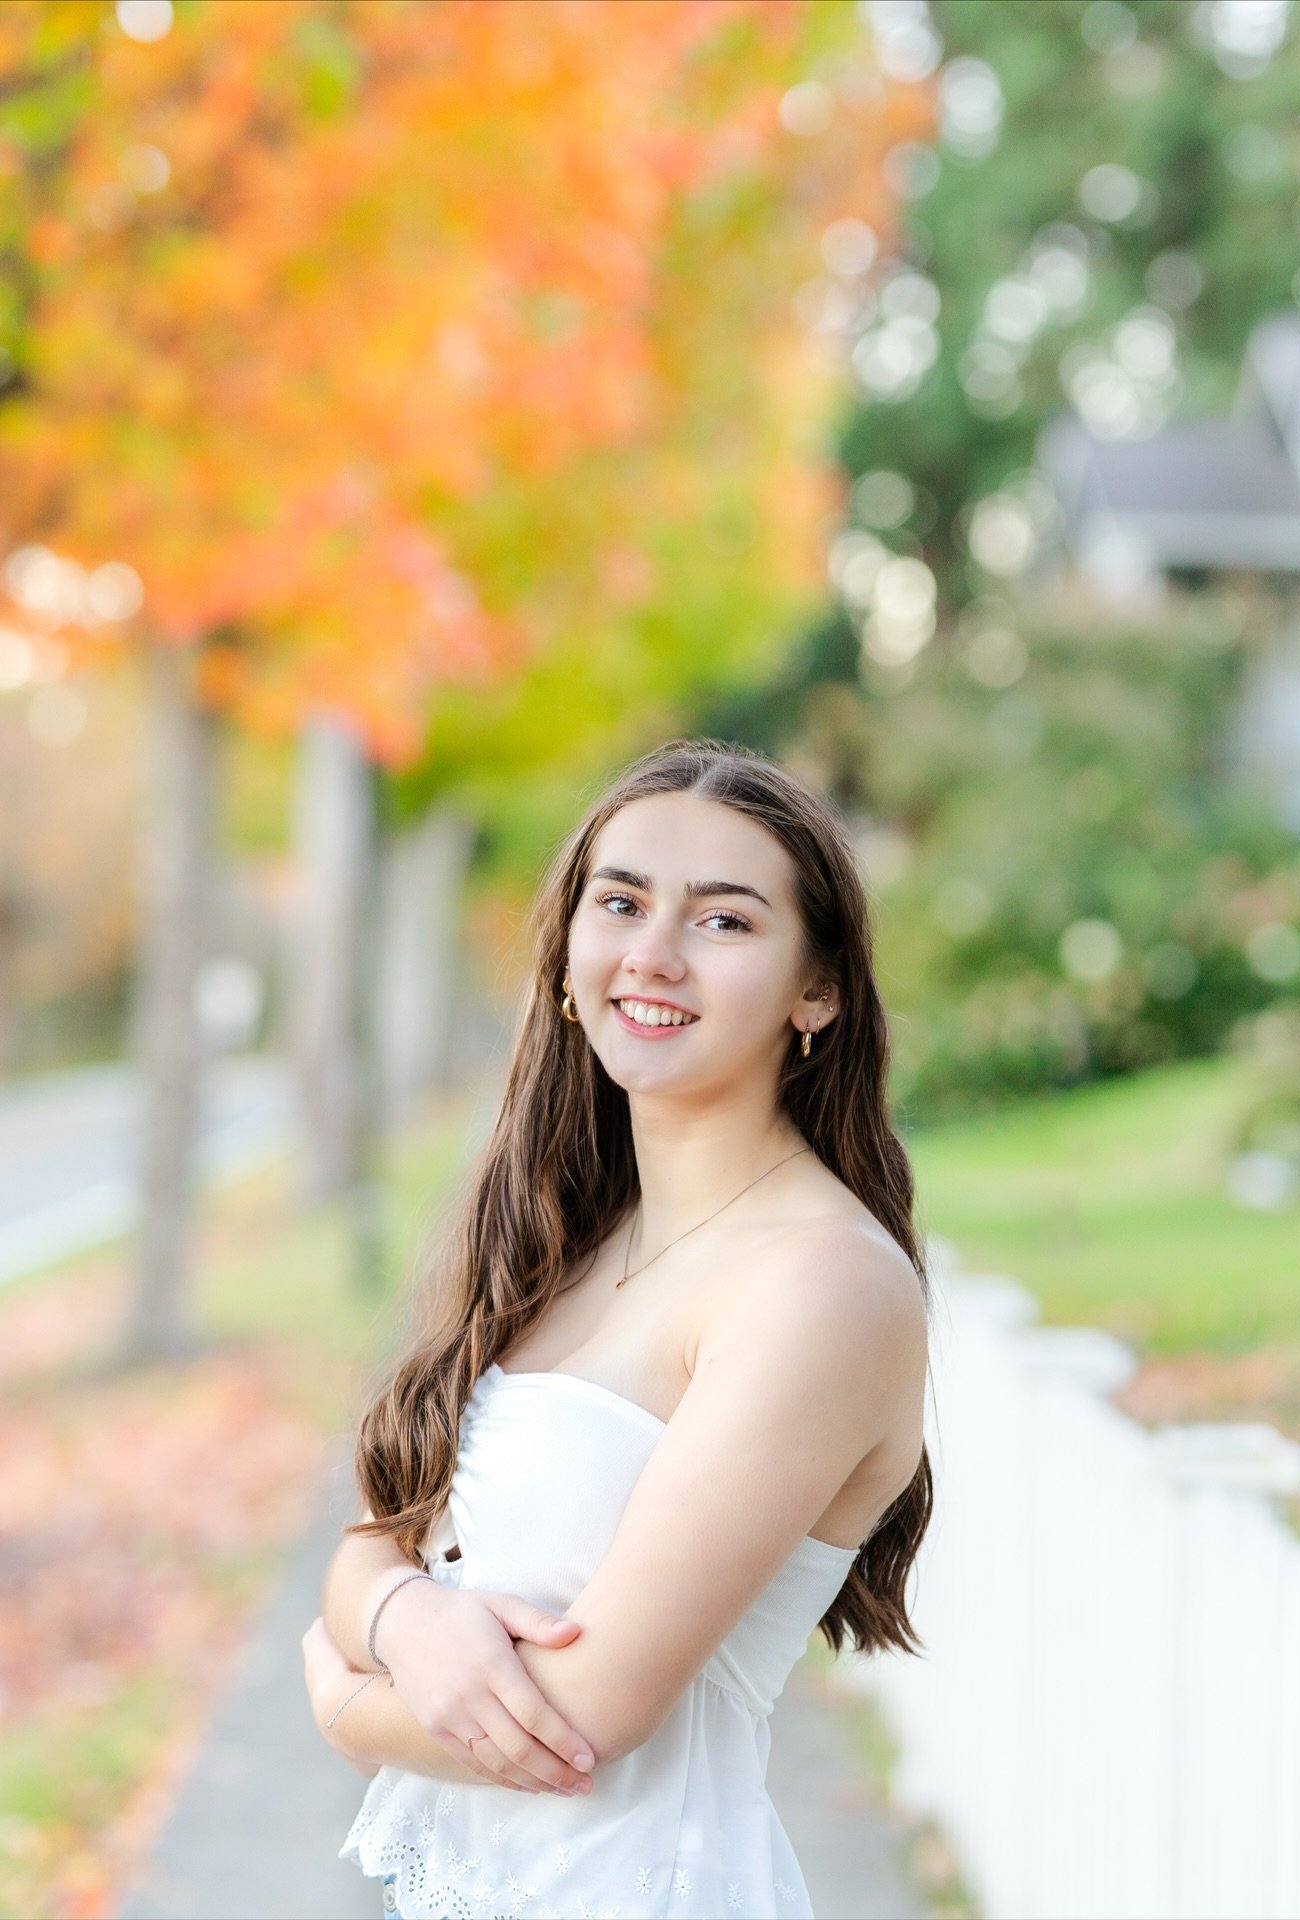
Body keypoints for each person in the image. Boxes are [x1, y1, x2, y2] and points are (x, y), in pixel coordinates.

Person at [301, 737, 933, 1920]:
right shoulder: (570, 1238)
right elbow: (380, 1541)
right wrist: (405, 1617)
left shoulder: (822, 1283)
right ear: (567, 951)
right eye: (622, 903)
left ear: (818, 990)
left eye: (724, 921)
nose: (652, 954)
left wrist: (345, 1704)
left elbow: (584, 1712)